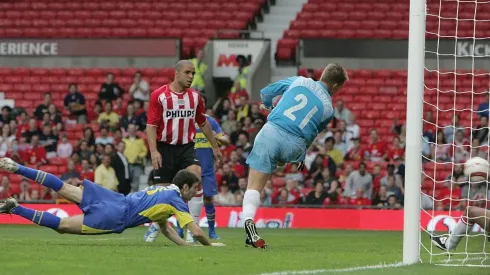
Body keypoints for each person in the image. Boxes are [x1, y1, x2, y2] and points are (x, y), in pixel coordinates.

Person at [0, 158, 225, 247]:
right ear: (185, 187)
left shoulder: (162, 189)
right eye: (195, 188)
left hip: (112, 198)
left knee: (62, 186)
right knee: (62, 226)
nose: (198, 192)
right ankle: (16, 207)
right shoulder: (178, 202)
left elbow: (164, 226)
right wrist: (208, 245)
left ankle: (16, 167)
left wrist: (184, 246)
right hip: (115, 216)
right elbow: (196, 231)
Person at [242, 63, 348, 248]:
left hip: (272, 132)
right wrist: (300, 155)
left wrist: (269, 107)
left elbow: (266, 92)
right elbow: (312, 133)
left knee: (254, 187)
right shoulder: (329, 109)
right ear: (337, 86)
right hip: (295, 146)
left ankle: (249, 223)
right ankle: (282, 161)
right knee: (281, 159)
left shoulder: (300, 80)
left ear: (322, 74)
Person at [146, 60, 223, 242]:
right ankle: (156, 226)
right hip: (164, 147)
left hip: (187, 147)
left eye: (193, 74)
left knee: (196, 176)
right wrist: (154, 151)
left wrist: (215, 146)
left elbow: (202, 122)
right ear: (177, 73)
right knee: (162, 195)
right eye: (187, 73)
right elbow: (151, 126)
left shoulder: (195, 97)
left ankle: (191, 234)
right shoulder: (159, 96)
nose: (191, 77)